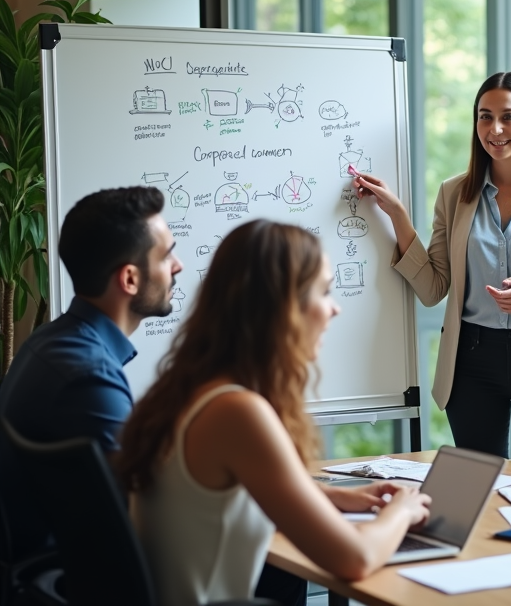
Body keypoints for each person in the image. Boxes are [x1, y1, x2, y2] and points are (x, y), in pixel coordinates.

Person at [118, 221, 431, 605]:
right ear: (284, 305)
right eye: (324, 291)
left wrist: (338, 496)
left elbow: (230, 493)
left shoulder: (189, 392)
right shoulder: (236, 411)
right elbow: (356, 557)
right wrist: (402, 510)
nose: (334, 308)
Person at [353, 72, 511, 474]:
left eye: (508, 117)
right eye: (485, 117)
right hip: (471, 361)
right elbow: (433, 287)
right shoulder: (454, 194)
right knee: (478, 493)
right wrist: (397, 215)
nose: (495, 129)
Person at [0, 186, 182, 561]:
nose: (177, 266)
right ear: (130, 280)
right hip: (79, 579)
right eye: (166, 255)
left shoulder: (49, 343)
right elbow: (146, 506)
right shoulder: (88, 376)